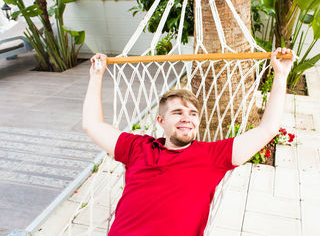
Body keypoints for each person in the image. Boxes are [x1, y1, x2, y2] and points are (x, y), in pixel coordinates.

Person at [82, 48, 295, 235]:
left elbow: (268, 129)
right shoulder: (137, 147)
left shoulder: (213, 156)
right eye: (177, 112)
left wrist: (281, 74)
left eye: (193, 114)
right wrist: (96, 76)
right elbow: (92, 125)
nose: (187, 118)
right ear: (161, 121)